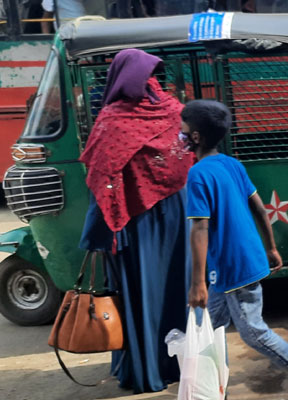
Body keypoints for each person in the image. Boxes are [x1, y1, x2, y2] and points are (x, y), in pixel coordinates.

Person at [182, 100, 288, 400]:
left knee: (254, 331)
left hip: (233, 266)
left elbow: (199, 228)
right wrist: (271, 248)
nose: (179, 135)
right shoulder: (231, 164)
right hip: (234, 263)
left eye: (182, 129)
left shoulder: (198, 174)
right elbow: (260, 209)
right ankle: (212, 388)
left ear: (196, 137)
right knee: (209, 324)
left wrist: (196, 284)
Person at [79, 49, 194, 393]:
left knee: (142, 292)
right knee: (177, 288)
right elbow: (186, 161)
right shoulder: (175, 111)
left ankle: (145, 372)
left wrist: (96, 236)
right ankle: (181, 365)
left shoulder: (112, 120)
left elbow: (100, 182)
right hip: (177, 215)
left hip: (135, 223)